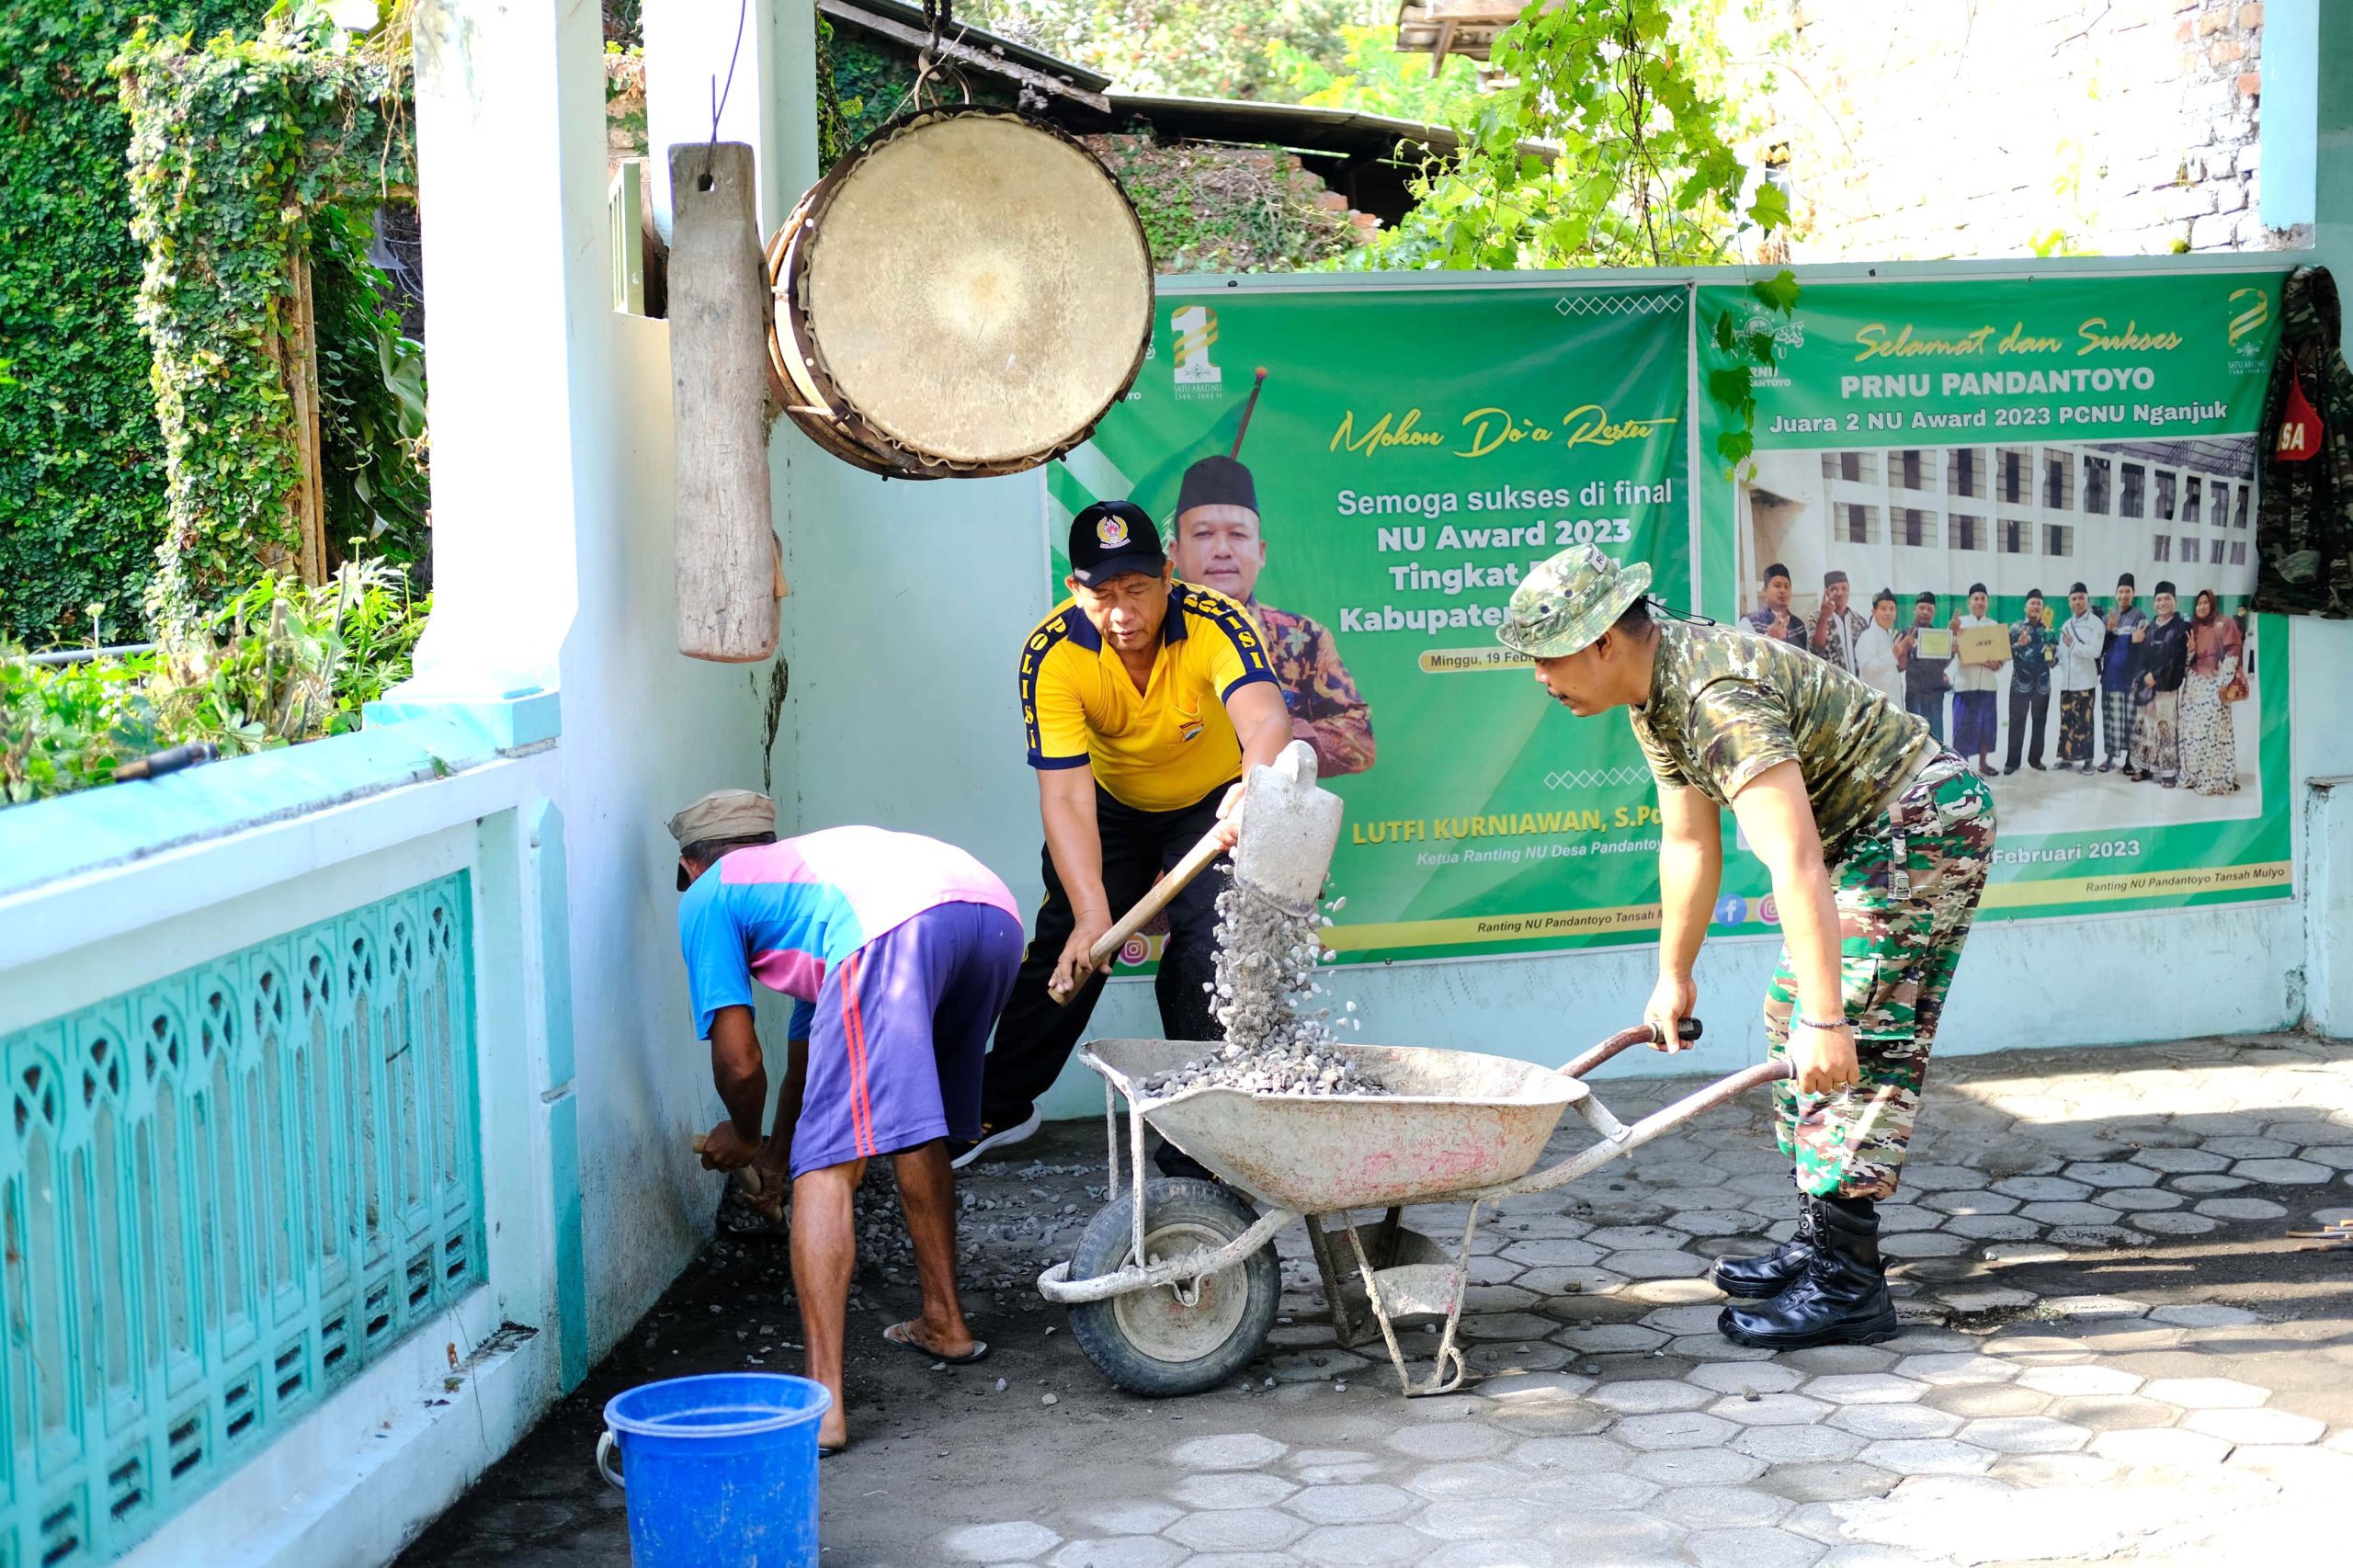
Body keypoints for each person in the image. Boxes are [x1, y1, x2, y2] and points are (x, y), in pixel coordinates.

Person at [1499, 546, 1995, 1351]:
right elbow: (1689, 841)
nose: (1538, 677)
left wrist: (1830, 1018)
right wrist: (1673, 974)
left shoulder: (1712, 696)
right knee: (1787, 1019)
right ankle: (1820, 1240)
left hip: (1919, 825)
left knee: (1848, 1030)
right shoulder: (1654, 689)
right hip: (1867, 836)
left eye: (1547, 656)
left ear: (1602, 642)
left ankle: (1849, 1285)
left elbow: (1793, 856)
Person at [669, 792, 1024, 1453]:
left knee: (826, 1164)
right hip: (991, 918)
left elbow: (742, 1064)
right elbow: (811, 1062)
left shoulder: (708, 895)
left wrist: (745, 1136)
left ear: (691, 864)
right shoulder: (809, 884)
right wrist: (774, 1153)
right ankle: (946, 1322)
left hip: (895, 929)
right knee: (916, 1125)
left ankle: (824, 1404)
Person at [967, 499, 1292, 1167]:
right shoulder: (1051, 654)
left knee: (1211, 945)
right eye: (1103, 594)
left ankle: (1195, 1135)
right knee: (1068, 944)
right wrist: (1093, 913)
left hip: (1213, 802)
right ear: (1074, 589)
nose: (1122, 614)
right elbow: (1063, 790)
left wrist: (1250, 790)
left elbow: (1266, 722)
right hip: (1109, 806)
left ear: (1168, 575)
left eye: (1137, 590)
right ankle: (998, 1106)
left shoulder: (1214, 621)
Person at [1170, 455, 1375, 778]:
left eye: (1237, 535)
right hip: (1173, 817)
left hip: (1275, 814)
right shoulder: (1144, 634)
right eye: (1203, 534)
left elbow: (1361, 739)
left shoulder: (1304, 638)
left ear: (1261, 552)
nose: (1222, 550)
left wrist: (1275, 738)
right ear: (1174, 553)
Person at [2180, 590, 2245, 796]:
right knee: (2191, 733)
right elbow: (2186, 662)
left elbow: (2233, 654)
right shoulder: (2195, 627)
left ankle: (2215, 778)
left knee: (2213, 732)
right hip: (2194, 686)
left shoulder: (2225, 623)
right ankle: (2194, 775)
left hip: (2215, 685)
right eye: (2198, 603)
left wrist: (2222, 684)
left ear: (2213, 604)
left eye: (2205, 603)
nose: (2201, 607)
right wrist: (2190, 650)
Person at [2127, 582, 2191, 786]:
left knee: (2166, 728)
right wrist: (2142, 676)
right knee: (2145, 727)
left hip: (2166, 687)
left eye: (2166, 598)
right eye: (2158, 599)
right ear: (2154, 603)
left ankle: (2168, 773)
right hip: (2147, 688)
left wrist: (2156, 675)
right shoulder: (2150, 627)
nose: (2162, 603)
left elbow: (2178, 659)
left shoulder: (2182, 628)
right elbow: (2140, 657)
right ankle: (2144, 768)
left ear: (2175, 601)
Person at [1949, 584, 2006, 776]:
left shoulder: (1993, 626)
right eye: (1976, 598)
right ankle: (1963, 769)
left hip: (1988, 685)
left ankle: (1983, 763)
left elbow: (2001, 658)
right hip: (1966, 685)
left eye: (1983, 598)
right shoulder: (1960, 624)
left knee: (1986, 727)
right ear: (1969, 602)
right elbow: (1948, 649)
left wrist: (1998, 664)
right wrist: (1952, 632)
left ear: (1987, 602)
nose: (1980, 602)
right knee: (1962, 728)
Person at [2098, 574, 2148, 772]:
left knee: (2129, 720)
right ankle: (2109, 757)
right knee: (2110, 720)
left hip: (2129, 678)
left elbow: (2141, 646)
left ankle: (2129, 760)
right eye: (2121, 591)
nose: (2124, 595)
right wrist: (2110, 632)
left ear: (2133, 594)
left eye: (2128, 591)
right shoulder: (2109, 617)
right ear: (2115, 594)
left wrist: (2139, 676)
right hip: (2109, 677)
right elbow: (2102, 647)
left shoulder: (2139, 616)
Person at [2003, 588, 2054, 775]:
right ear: (2025, 607)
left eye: (2039, 604)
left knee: (2039, 721)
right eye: (2032, 603)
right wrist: (2019, 644)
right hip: (2020, 682)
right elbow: (2005, 653)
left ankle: (2035, 759)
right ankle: (2013, 762)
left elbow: (2053, 661)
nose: (2035, 606)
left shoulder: (2048, 629)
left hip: (2042, 684)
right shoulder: (2016, 628)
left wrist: (2050, 651)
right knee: (2017, 721)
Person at [2054, 583, 2104, 774]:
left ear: (2087, 600)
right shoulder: (2067, 625)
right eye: (2073, 599)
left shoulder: (2096, 624)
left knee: (2085, 723)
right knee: (2067, 722)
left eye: (2081, 598)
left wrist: (2073, 645)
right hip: (2067, 683)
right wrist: (2052, 655)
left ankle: (2088, 761)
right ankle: (2066, 758)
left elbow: (2095, 651)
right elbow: (2062, 654)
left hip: (2085, 682)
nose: (2077, 602)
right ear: (2069, 602)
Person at [1897, 591, 1949, 744]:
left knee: (1937, 739)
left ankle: (1938, 768)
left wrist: (1951, 652)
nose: (1925, 612)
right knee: (1916, 739)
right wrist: (1905, 648)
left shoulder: (1939, 637)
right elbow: (1899, 667)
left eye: (1930, 609)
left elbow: (1943, 664)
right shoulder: (1903, 635)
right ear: (1914, 609)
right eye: (1922, 608)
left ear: (1934, 613)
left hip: (1935, 696)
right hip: (1915, 696)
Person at [1854, 589, 1906, 706]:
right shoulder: (1868, 636)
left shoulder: (1887, 635)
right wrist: (1893, 654)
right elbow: (1867, 670)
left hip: (1890, 705)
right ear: (1874, 611)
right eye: (1883, 608)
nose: (1888, 613)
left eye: (1891, 609)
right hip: (1876, 706)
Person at [1811, 570, 1866, 674]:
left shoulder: (1860, 622)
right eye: (1834, 589)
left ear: (1849, 590)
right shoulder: (1815, 618)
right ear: (1826, 592)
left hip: (1859, 685)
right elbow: (1816, 649)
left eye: (1844, 588)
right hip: (1833, 686)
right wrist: (1824, 617)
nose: (1840, 593)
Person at [1742, 562, 1809, 647]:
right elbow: (1744, 656)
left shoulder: (1799, 625)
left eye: (1786, 586)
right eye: (1777, 585)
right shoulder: (1750, 622)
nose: (1783, 591)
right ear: (1765, 591)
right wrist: (1768, 638)